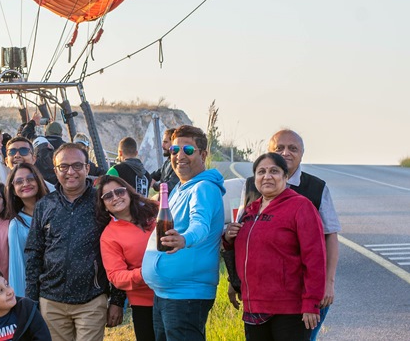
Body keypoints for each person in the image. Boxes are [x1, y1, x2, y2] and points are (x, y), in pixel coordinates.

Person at [25, 143, 126, 341]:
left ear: (87, 168)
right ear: (55, 170)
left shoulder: (102, 203)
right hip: (51, 301)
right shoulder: (45, 205)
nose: (71, 171)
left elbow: (121, 250)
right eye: (64, 166)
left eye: (77, 165)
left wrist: (117, 300)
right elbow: (33, 252)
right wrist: (32, 300)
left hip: (91, 299)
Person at [224, 153, 325, 340]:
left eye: (274, 171)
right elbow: (245, 252)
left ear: (286, 177)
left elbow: (315, 258)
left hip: (288, 309)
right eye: (261, 172)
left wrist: (311, 302)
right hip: (253, 306)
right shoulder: (250, 210)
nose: (267, 176)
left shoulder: (301, 206)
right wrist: (229, 239)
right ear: (255, 179)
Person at [141, 125, 226, 341]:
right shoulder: (181, 187)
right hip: (166, 294)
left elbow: (200, 225)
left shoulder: (203, 188)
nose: (179, 156)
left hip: (187, 296)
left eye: (188, 150)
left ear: (203, 154)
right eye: (174, 151)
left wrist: (184, 239)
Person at [264, 129, 340, 341]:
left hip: (307, 289)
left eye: (293, 148)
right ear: (269, 153)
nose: (286, 152)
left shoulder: (316, 188)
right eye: (279, 148)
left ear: (302, 154)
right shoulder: (253, 185)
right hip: (265, 292)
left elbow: (330, 236)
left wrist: (329, 283)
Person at [97, 175, 158, 341]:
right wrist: (147, 272)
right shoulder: (109, 236)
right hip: (144, 301)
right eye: (108, 196)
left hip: (176, 291)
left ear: (128, 192)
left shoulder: (155, 210)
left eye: (119, 191)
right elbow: (116, 276)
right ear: (103, 204)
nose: (116, 197)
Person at [5, 163, 49, 297]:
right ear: (13, 189)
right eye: (19, 181)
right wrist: (23, 305)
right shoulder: (17, 225)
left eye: (30, 179)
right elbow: (18, 269)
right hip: (38, 293)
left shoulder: (55, 208)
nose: (25, 184)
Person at [150, 128, 179, 192]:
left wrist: (155, 185)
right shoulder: (167, 163)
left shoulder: (179, 164)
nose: (162, 146)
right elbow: (154, 176)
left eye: (166, 142)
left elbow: (171, 186)